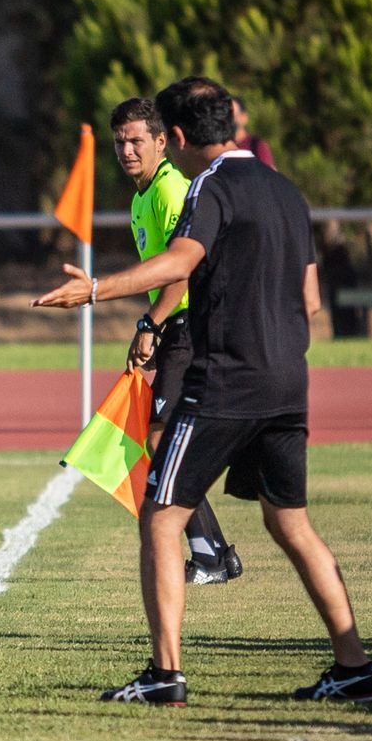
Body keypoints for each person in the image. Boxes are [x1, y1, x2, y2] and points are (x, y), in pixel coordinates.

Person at [34, 76, 372, 708]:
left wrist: (93, 291)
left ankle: (164, 676)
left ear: (182, 137)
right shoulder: (287, 191)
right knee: (290, 523)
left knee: (161, 514)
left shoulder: (207, 188)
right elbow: (309, 298)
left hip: (227, 376)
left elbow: (179, 261)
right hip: (288, 378)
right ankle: (355, 667)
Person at [111, 97, 243, 586]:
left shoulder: (170, 190)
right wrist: (152, 328)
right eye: (120, 142)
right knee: (164, 439)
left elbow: (183, 271)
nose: (127, 150)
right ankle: (213, 553)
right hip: (174, 328)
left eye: (136, 140)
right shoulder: (140, 196)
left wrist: (151, 324)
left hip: (191, 325)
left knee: (164, 439)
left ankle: (211, 555)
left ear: (162, 141)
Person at [231, 96, 275, 169]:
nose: (229, 120)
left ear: (244, 117)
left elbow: (269, 176)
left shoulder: (256, 145)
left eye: (233, 115)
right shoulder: (219, 146)